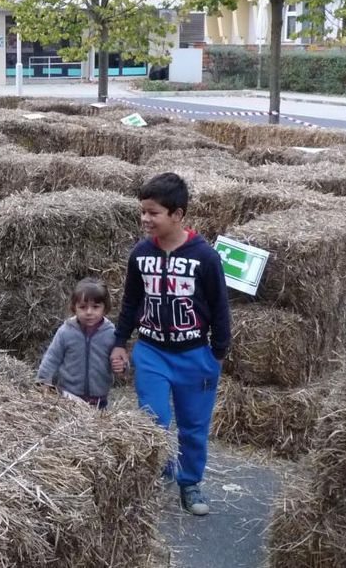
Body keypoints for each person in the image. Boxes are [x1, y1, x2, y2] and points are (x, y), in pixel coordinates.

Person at [109, 172, 231, 517]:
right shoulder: (140, 254)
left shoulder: (205, 257)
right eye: (143, 212)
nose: (146, 219)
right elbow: (131, 302)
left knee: (193, 426)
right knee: (154, 420)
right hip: (151, 354)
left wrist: (217, 352)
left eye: (153, 213)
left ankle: (189, 482)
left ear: (178, 215)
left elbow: (220, 308)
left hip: (195, 356)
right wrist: (120, 342)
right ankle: (159, 471)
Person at [35, 278, 116, 410]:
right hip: (68, 398)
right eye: (83, 307)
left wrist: (122, 367)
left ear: (105, 308)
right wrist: (43, 380)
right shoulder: (66, 331)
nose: (89, 312)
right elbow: (52, 357)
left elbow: (119, 360)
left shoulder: (110, 333)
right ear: (74, 307)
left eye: (95, 307)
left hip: (99, 400)